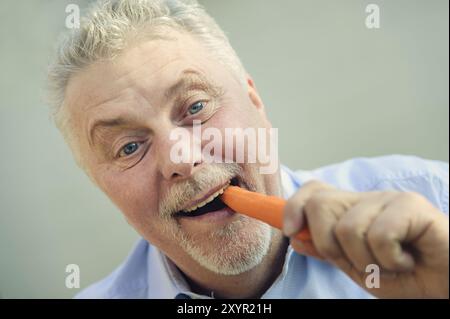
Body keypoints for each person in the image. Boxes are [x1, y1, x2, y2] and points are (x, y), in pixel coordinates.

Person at [47, 0, 449, 298]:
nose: (181, 160)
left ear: (255, 101)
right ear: (101, 186)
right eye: (129, 146)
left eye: (197, 107)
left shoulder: (434, 201)